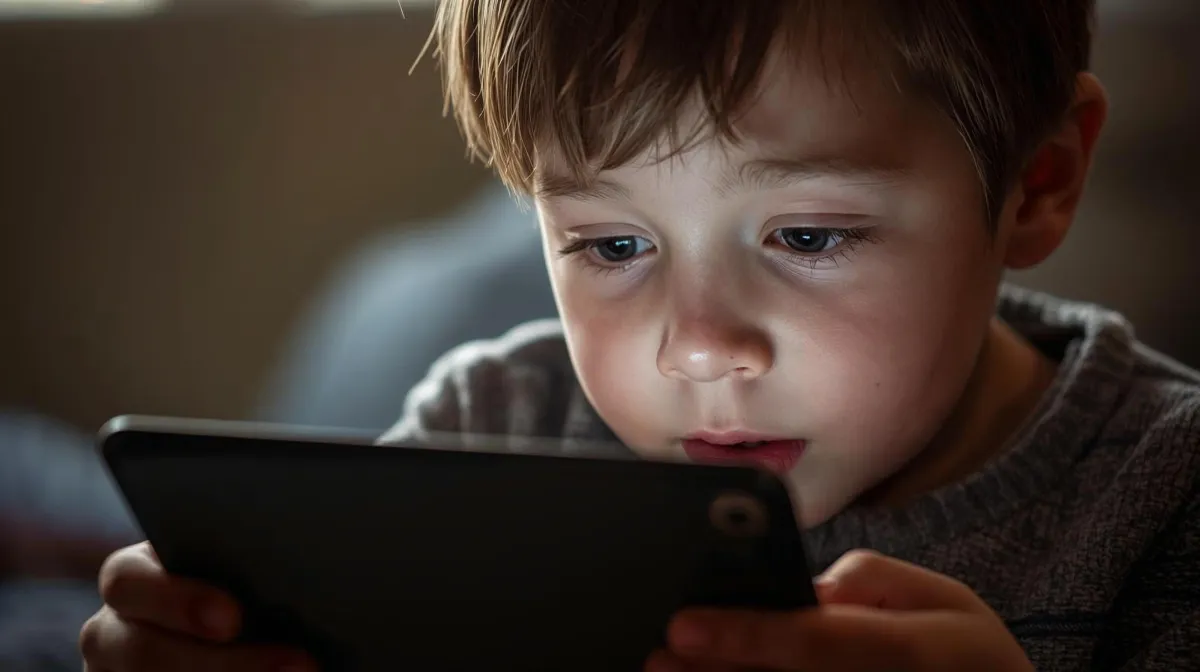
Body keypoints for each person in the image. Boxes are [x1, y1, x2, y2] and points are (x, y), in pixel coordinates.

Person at [79, 1, 1200, 670]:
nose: (699, 348)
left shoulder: (1165, 499)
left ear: (1038, 185)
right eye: (612, 247)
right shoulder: (486, 440)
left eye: (808, 235)